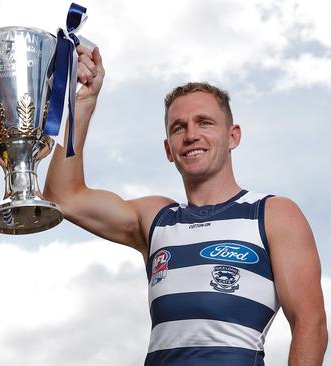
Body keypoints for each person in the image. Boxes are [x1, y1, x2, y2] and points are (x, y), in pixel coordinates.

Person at [44, 46, 328, 365]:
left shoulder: (273, 214)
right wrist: (84, 102)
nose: (191, 135)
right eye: (178, 127)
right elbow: (63, 198)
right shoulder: (156, 218)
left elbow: (310, 324)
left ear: (232, 136)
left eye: (204, 122)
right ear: (169, 148)